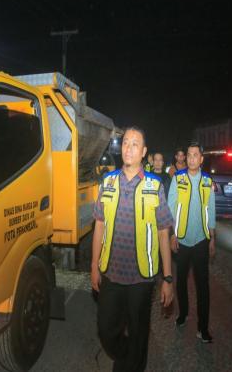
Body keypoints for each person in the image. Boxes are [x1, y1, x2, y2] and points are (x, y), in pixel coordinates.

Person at [91, 126, 174, 372]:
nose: (128, 148)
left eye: (135, 144)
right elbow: (99, 226)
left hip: (142, 276)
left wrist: (167, 278)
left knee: (139, 331)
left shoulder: (154, 186)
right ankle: (126, 355)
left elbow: (163, 232)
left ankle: (131, 364)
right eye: (125, 142)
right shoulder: (107, 182)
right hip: (111, 273)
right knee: (106, 329)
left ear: (144, 152)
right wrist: (94, 266)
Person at [168, 141, 216, 343]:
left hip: (201, 241)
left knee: (203, 286)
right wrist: (172, 234)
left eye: (195, 155)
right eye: (188, 155)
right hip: (182, 240)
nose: (191, 158)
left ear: (201, 159)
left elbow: (211, 210)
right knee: (181, 282)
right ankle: (183, 314)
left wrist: (213, 238)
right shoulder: (178, 179)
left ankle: (203, 328)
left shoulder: (207, 181)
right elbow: (171, 207)